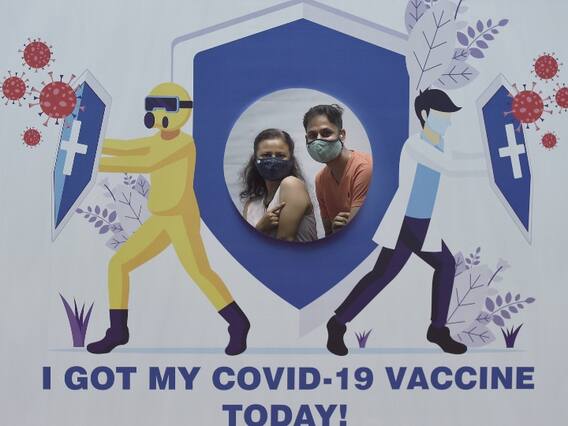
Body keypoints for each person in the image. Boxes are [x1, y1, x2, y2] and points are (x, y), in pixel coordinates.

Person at [87, 82, 250, 355]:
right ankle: (117, 331)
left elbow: (145, 163)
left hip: (180, 219)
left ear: (182, 111)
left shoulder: (183, 143)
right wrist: (90, 142)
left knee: (199, 272)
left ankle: (238, 322)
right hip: (160, 218)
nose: (159, 112)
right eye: (154, 106)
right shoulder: (156, 140)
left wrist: (92, 162)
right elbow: (126, 148)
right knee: (118, 265)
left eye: (167, 106)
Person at [326, 89, 487, 356]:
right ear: (424, 115)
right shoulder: (416, 145)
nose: (447, 121)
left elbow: (454, 165)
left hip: (421, 222)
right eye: (442, 116)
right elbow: (451, 166)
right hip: (410, 222)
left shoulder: (441, 144)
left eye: (448, 116)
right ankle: (437, 329)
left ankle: (338, 322)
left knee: (382, 275)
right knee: (445, 264)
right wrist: (488, 161)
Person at [303, 104, 372, 236]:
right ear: (306, 139)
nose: (318, 140)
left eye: (326, 133)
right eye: (312, 135)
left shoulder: (364, 169)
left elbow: (357, 232)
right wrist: (336, 231)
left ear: (341, 134)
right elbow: (329, 233)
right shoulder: (320, 180)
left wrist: (339, 231)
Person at [241, 128, 317, 242]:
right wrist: (260, 228)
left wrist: (257, 232)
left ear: (291, 160)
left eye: (280, 155)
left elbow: (285, 241)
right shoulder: (251, 205)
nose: (273, 160)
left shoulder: (291, 185)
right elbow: (243, 246)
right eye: (266, 155)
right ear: (255, 160)